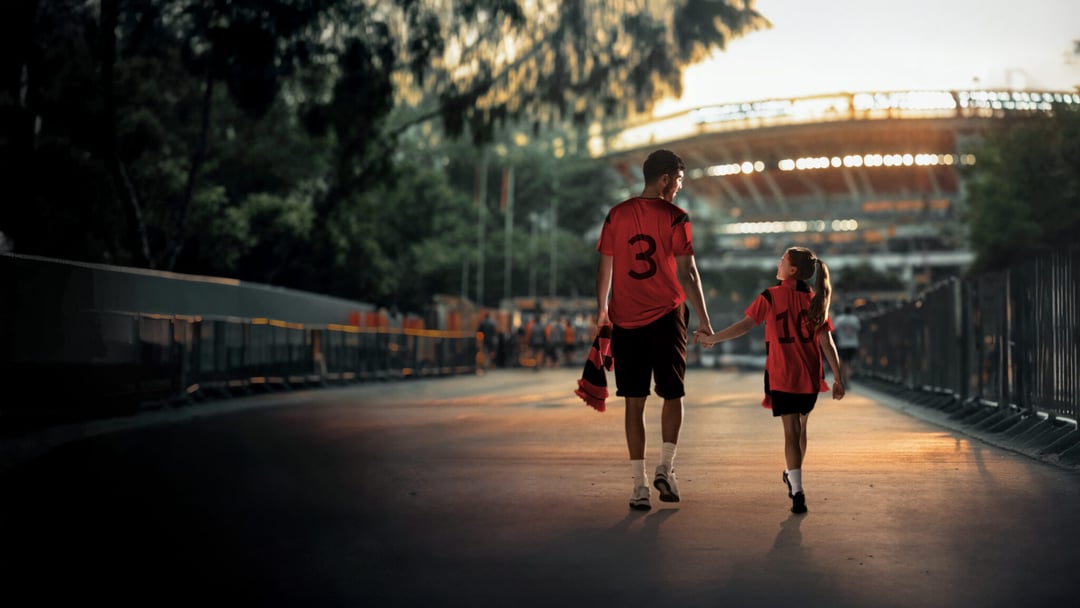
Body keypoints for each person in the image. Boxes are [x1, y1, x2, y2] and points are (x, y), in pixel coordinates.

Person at [593, 148, 714, 511]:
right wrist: (705, 320)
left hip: (625, 317)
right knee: (672, 393)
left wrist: (602, 309)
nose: (678, 188)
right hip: (666, 314)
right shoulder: (677, 217)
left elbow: (605, 268)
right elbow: (688, 272)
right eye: (677, 181)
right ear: (664, 179)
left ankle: (639, 486)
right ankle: (667, 466)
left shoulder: (616, 215)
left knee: (634, 400)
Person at [694, 246, 845, 514]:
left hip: (782, 373)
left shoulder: (770, 296)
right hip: (809, 374)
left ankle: (797, 490)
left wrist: (712, 339)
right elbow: (826, 341)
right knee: (801, 429)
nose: (778, 263)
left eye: (783, 261)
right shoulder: (815, 299)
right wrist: (838, 377)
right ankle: (793, 476)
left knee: (791, 433)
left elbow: (745, 325)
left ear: (793, 270)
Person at [831, 305, 861, 386]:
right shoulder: (855, 319)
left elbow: (833, 330)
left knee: (843, 363)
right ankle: (847, 378)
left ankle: (845, 379)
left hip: (842, 344)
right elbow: (859, 329)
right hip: (853, 344)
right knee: (850, 362)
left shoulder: (839, 320)